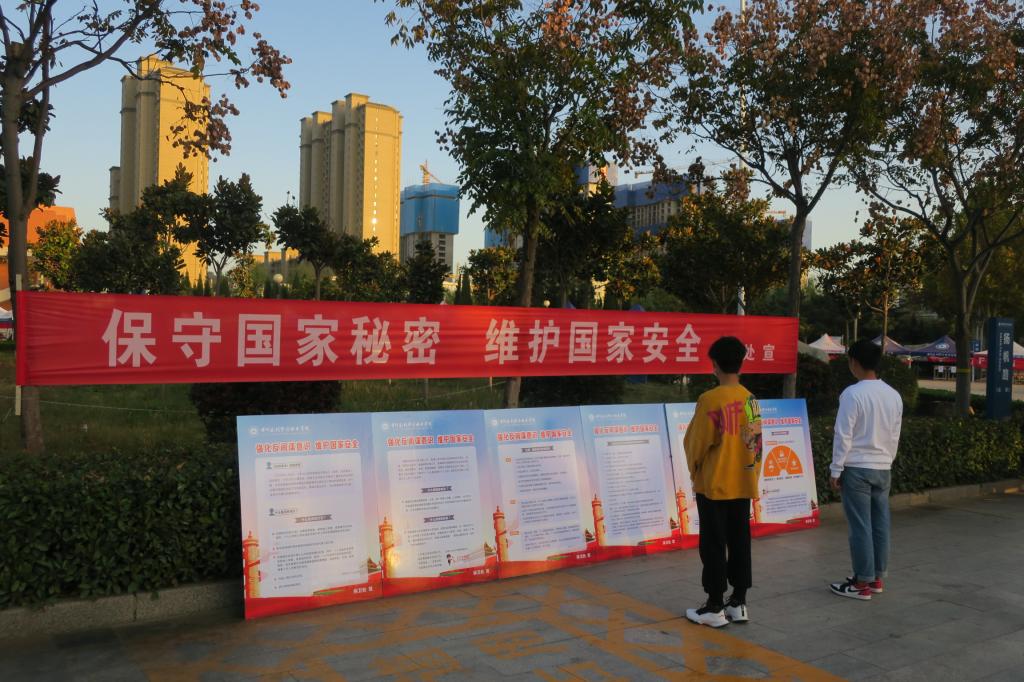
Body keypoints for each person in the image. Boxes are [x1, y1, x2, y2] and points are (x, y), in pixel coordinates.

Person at [683, 336, 762, 628]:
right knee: (740, 542)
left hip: (714, 484)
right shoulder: (751, 399)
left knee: (713, 544)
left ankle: (714, 605)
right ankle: (738, 602)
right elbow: (756, 444)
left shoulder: (710, 399)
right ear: (741, 363)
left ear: (714, 364)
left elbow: (696, 444)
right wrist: (752, 475)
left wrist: (694, 471)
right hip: (743, 482)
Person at [829, 339, 903, 600]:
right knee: (880, 524)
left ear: (854, 362)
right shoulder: (893, 395)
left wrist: (836, 469)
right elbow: (894, 434)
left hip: (857, 468)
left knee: (860, 526)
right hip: (883, 468)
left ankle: (861, 583)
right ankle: (876, 578)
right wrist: (887, 460)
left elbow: (843, 434)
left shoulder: (852, 394)